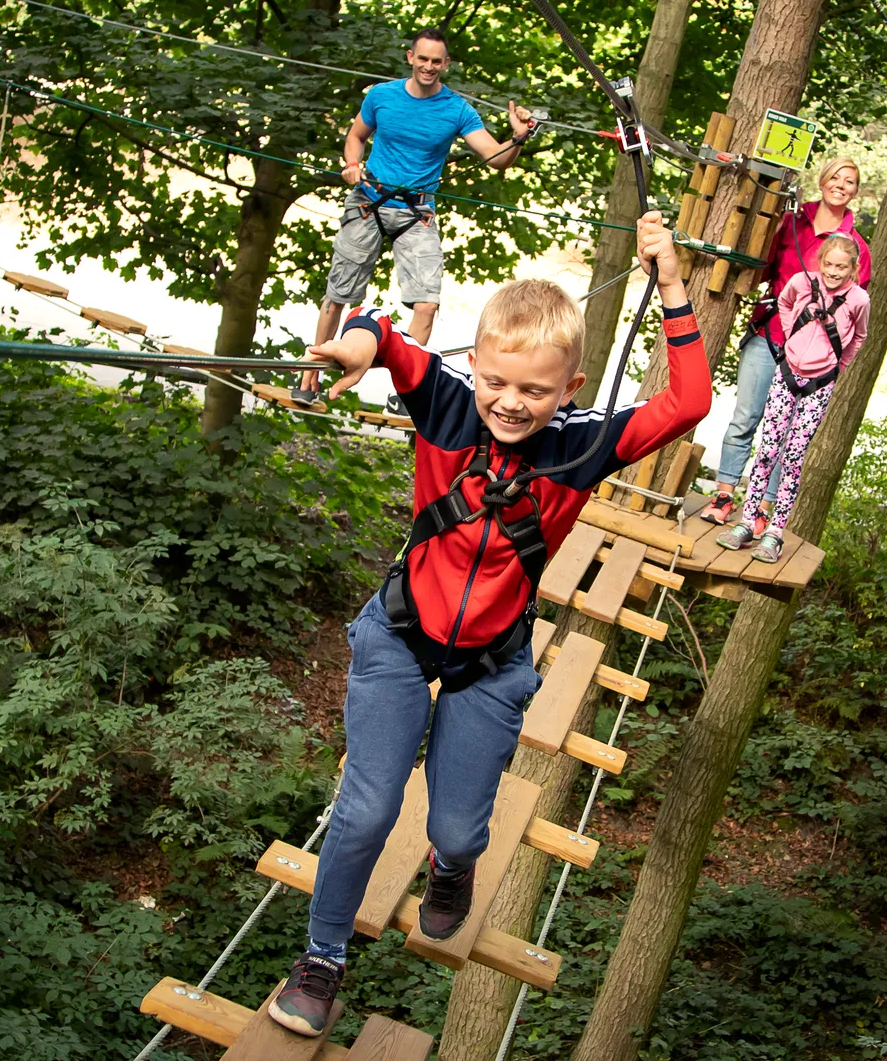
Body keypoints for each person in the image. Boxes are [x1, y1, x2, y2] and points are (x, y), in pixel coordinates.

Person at [266, 212, 710, 1037]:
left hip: (491, 659)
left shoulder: (584, 444)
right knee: (364, 810)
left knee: (459, 826)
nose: (510, 403)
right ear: (474, 366)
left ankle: (450, 867)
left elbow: (689, 400)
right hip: (400, 635)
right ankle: (323, 956)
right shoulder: (444, 402)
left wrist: (674, 282)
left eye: (535, 390)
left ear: (569, 389)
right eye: (496, 382)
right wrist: (357, 351)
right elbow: (380, 333)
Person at [292, 27, 537, 403]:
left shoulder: (456, 109)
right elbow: (356, 135)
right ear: (410, 58)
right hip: (368, 200)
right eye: (422, 59)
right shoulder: (381, 97)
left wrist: (517, 137)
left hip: (416, 211)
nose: (429, 67)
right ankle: (310, 377)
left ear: (446, 64)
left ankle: (405, 391)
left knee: (427, 303)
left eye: (436, 61)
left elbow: (497, 159)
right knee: (337, 296)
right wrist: (352, 163)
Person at [699, 157, 872, 528]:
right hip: (771, 334)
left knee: (788, 435)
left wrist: (835, 361)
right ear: (823, 182)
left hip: (814, 356)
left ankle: (761, 510)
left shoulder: (855, 247)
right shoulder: (792, 222)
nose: (841, 185)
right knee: (746, 416)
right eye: (835, 178)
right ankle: (725, 494)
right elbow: (762, 266)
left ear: (855, 191)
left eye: (850, 181)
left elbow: (854, 312)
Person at [713, 234, 869, 563]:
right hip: (788, 374)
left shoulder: (858, 300)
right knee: (768, 448)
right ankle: (745, 522)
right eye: (828, 264)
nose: (834, 272)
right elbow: (783, 303)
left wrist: (839, 365)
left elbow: (860, 335)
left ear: (853, 268)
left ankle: (774, 532)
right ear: (820, 262)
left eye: (842, 267)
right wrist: (790, 336)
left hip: (820, 382)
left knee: (793, 456)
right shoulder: (801, 282)